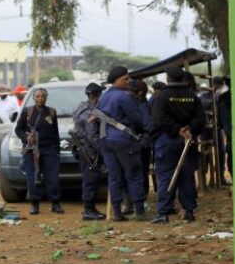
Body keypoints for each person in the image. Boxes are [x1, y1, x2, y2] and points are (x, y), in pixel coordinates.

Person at [150, 67, 205, 224]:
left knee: (166, 177)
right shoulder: (193, 96)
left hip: (167, 140)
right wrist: (189, 129)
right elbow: (200, 119)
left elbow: (159, 118)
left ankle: (163, 213)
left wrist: (176, 129)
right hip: (188, 141)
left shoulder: (162, 96)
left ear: (168, 79)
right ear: (183, 79)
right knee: (186, 177)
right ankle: (189, 211)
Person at [97, 66, 146, 221]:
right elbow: (137, 119)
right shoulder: (125, 96)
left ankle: (117, 212)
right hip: (124, 140)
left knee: (114, 176)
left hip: (106, 139)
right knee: (134, 175)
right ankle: (139, 211)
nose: (128, 81)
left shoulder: (103, 97)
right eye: (125, 79)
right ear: (117, 79)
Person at [15, 87, 64, 215]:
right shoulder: (27, 111)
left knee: (52, 178)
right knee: (32, 178)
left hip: (49, 149)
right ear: (34, 98)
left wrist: (57, 150)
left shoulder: (52, 112)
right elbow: (18, 129)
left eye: (42, 96)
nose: (40, 98)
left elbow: (55, 132)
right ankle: (34, 204)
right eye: (37, 96)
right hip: (31, 150)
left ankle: (55, 203)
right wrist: (26, 137)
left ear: (46, 98)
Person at [72, 82, 105, 220]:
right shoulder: (88, 112)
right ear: (94, 95)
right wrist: (103, 152)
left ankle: (90, 208)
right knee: (90, 180)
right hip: (89, 153)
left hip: (86, 150)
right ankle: (88, 210)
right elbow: (92, 137)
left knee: (90, 179)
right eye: (99, 94)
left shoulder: (83, 108)